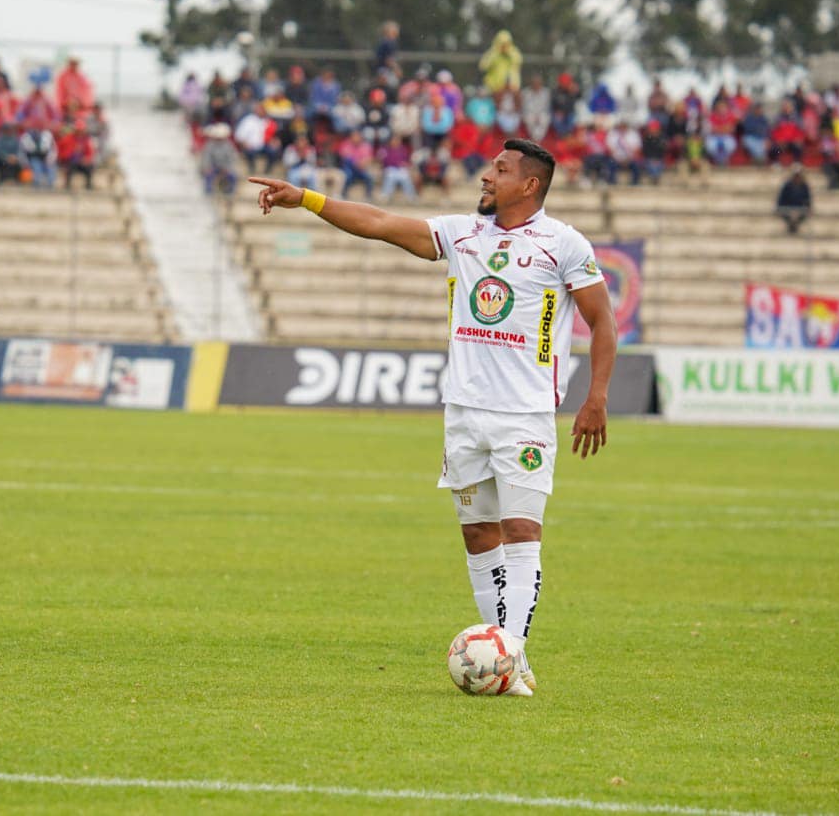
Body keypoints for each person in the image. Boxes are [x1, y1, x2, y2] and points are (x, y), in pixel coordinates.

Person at [249, 138, 616, 698]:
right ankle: (504, 653)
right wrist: (307, 199)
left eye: (501, 170)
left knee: (522, 533)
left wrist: (597, 397)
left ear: (531, 185)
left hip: (525, 413)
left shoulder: (563, 244)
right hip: (464, 413)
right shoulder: (463, 233)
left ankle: (510, 655)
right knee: (477, 535)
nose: (487, 177)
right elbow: (377, 222)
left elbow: (602, 320)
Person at [478, 30, 522, 95]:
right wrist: (495, 53)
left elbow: (518, 62)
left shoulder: (514, 52)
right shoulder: (492, 52)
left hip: (511, 89)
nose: (504, 46)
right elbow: (482, 67)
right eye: (502, 44)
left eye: (506, 43)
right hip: (492, 88)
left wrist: (509, 53)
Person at [775, 165, 811, 234]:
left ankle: (794, 226)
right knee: (785, 213)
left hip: (800, 208)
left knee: (804, 213)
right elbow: (781, 199)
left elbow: (807, 199)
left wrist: (807, 207)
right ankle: (791, 226)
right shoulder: (787, 186)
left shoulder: (804, 186)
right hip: (787, 207)